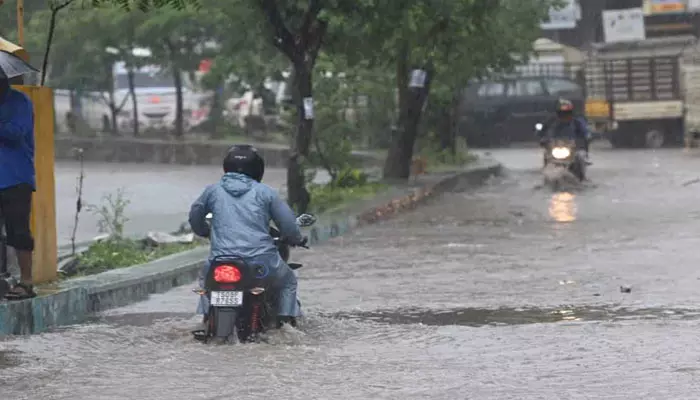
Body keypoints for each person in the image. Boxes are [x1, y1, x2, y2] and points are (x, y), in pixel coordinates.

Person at [188, 144, 307, 327]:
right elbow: (288, 225)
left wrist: (205, 231)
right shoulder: (266, 193)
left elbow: (195, 216)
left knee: (206, 282)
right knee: (288, 281)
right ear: (258, 169)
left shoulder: (212, 191)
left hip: (220, 261)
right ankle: (286, 325)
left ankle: (204, 320)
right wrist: (296, 238)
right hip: (260, 262)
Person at [0, 77, 36, 300]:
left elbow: (15, 133)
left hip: (15, 177)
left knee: (19, 232)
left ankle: (26, 282)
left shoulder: (19, 102)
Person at [537, 98, 592, 164]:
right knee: (547, 155)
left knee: (580, 155)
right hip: (556, 144)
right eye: (562, 113)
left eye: (567, 113)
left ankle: (584, 159)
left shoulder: (576, 121)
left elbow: (584, 131)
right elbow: (543, 130)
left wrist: (587, 136)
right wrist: (543, 138)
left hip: (572, 145)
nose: (564, 115)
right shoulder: (551, 121)